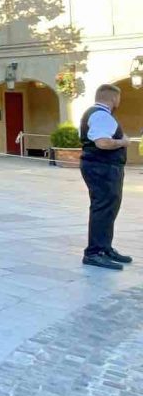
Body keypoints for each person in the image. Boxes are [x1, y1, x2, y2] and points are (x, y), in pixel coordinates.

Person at [79, 84, 133, 270]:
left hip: (100, 167)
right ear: (113, 98)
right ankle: (95, 252)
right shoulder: (102, 115)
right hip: (103, 167)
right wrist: (123, 142)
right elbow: (102, 143)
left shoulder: (95, 113)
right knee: (103, 208)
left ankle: (104, 248)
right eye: (118, 98)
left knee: (108, 207)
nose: (119, 102)